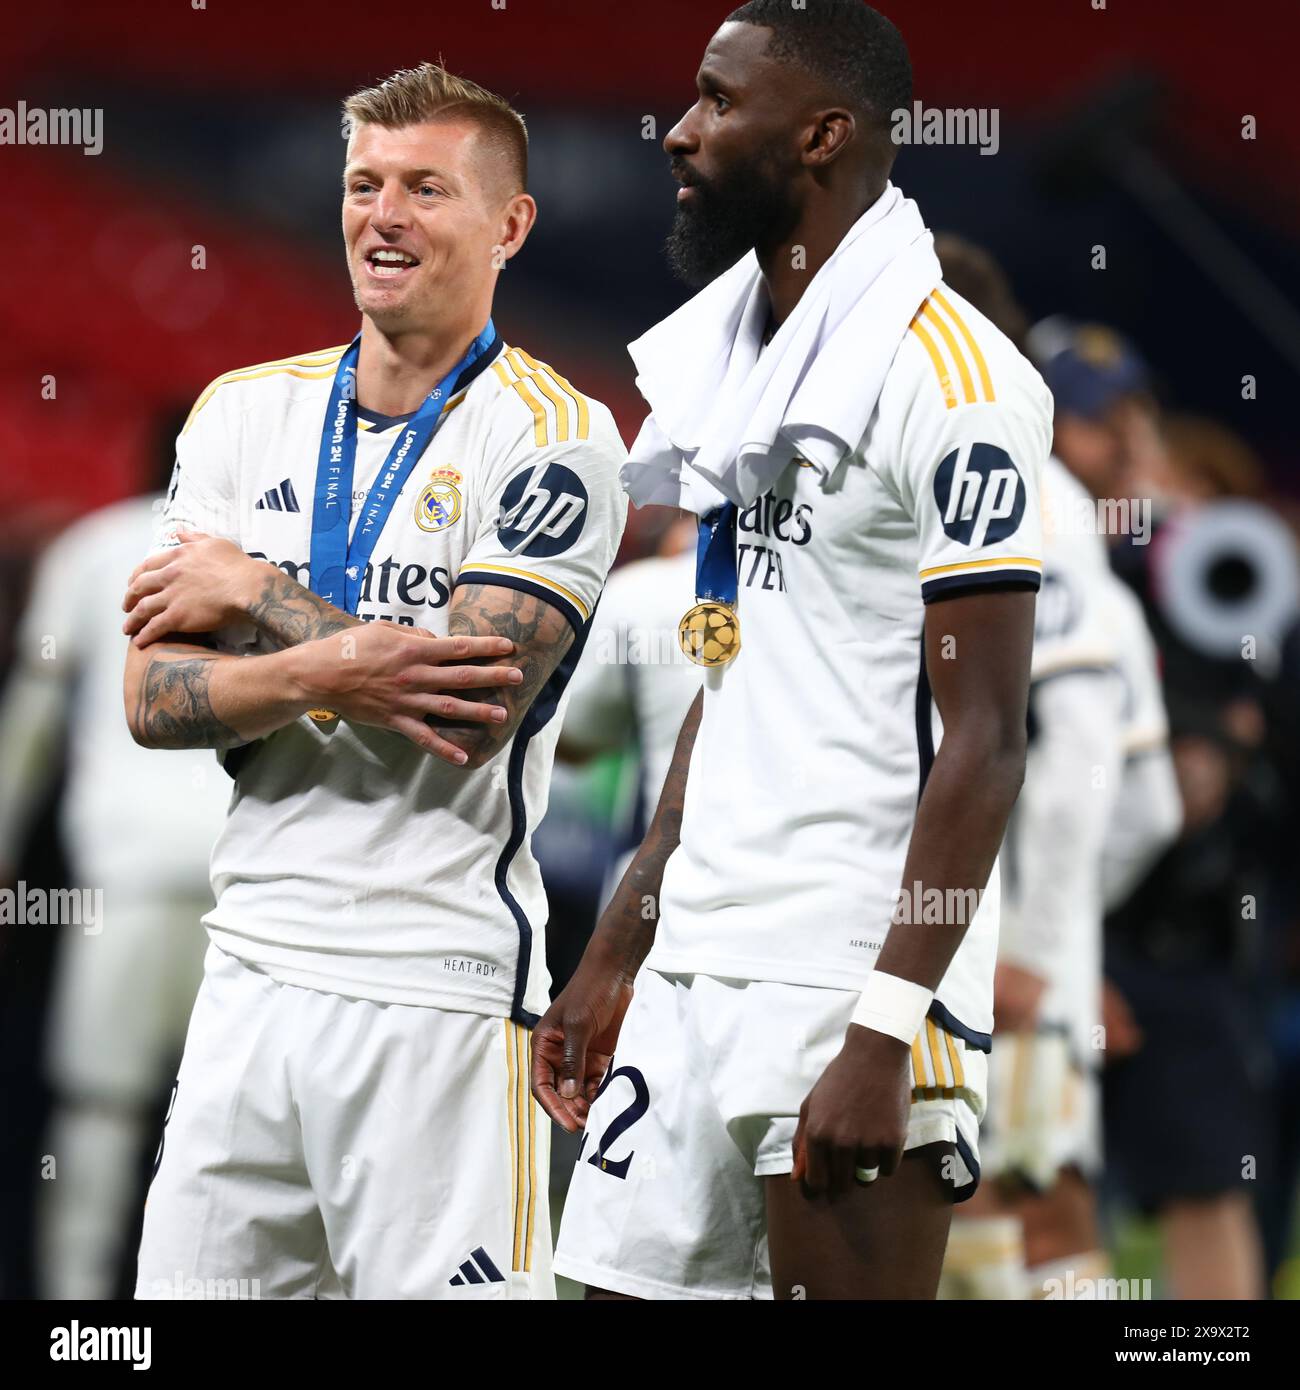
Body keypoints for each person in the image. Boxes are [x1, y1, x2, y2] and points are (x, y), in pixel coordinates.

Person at [534, 1, 1051, 1300]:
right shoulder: (743, 360)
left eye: (716, 100)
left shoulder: (957, 379)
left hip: (846, 964)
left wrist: (891, 1024)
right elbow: (732, 672)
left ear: (820, 134)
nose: (679, 129)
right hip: (697, 954)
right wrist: (624, 935)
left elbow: (988, 735)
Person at [122, 62, 627, 1300]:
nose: (381, 215)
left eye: (424, 189)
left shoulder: (556, 431)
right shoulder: (240, 413)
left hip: (438, 990)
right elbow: (153, 700)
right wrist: (349, 659)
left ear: (509, 225)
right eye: (362, 184)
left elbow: (464, 711)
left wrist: (254, 600)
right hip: (246, 970)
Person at [0, 446, 230, 1299]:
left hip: (124, 875)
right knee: (234, 1133)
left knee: (99, 1107)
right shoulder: (271, 560)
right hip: (252, 884)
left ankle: (77, 1308)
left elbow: (35, 705)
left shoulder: (96, 544)